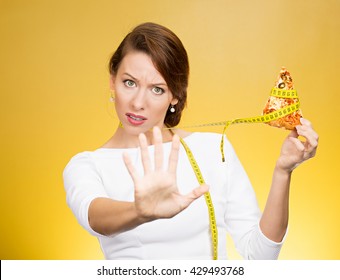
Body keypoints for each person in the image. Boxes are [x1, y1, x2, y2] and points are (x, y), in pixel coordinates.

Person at [63, 22, 318, 260]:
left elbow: (260, 256)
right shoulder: (87, 165)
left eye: (157, 89)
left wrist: (283, 171)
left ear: (175, 95)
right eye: (129, 82)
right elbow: (95, 217)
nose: (138, 102)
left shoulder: (213, 149)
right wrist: (140, 212)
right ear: (112, 81)